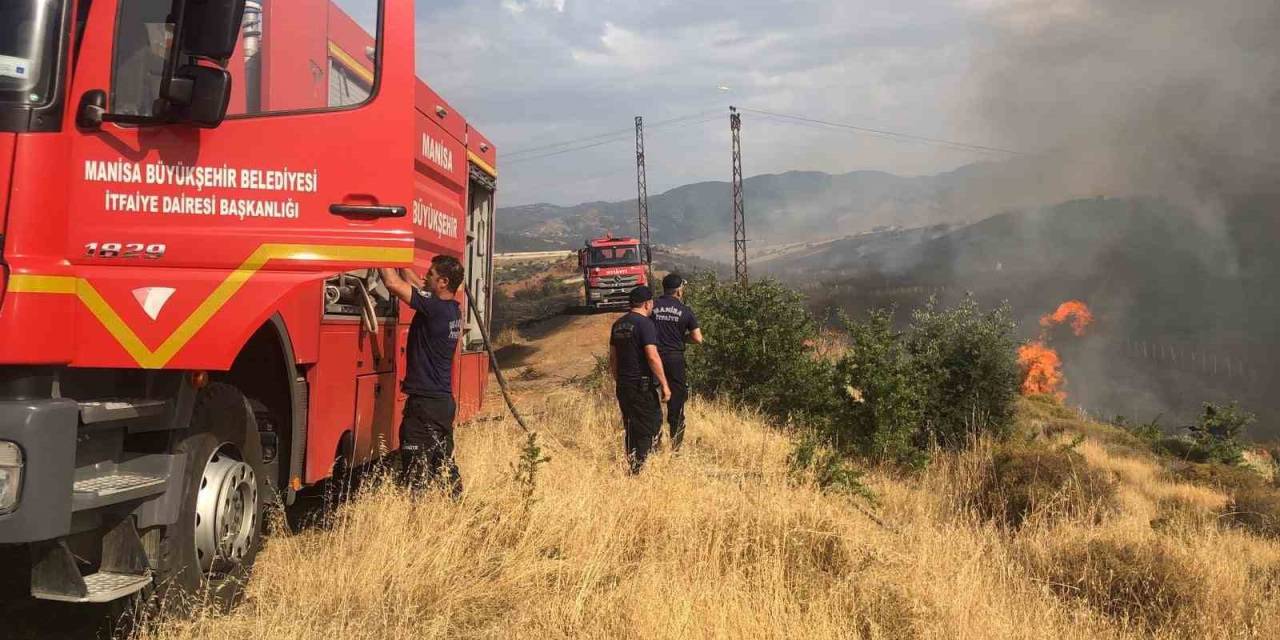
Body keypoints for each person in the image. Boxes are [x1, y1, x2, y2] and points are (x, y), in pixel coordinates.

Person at [381, 256, 466, 497]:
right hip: (441, 403)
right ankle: (457, 506)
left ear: (443, 282)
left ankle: (415, 521)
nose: (424, 277)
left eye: (430, 274)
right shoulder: (449, 308)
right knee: (442, 463)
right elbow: (416, 284)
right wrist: (397, 254)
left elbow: (392, 283)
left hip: (425, 404)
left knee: (414, 469)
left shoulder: (435, 309)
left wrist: (378, 250)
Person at [609, 286, 671, 474]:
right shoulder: (645, 324)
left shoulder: (618, 324)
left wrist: (619, 379)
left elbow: (613, 358)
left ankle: (633, 464)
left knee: (631, 425)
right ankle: (641, 470)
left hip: (624, 385)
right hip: (641, 386)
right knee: (650, 424)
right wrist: (665, 386)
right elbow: (652, 356)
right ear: (647, 303)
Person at [652, 274, 703, 450]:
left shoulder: (652, 306)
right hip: (675, 359)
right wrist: (682, 339)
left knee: (652, 399)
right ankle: (676, 446)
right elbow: (697, 338)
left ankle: (653, 441)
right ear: (679, 290)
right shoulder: (685, 310)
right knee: (676, 403)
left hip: (653, 357)